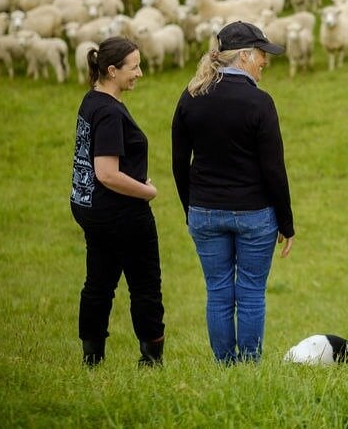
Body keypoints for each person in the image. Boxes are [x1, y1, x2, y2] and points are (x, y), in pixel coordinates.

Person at [171, 21, 295, 364]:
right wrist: (287, 223)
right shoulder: (259, 102)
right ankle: (250, 365)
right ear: (243, 56)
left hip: (205, 212)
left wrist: (191, 209)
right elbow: (274, 169)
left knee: (219, 292)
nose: (264, 63)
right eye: (260, 55)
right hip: (255, 214)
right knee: (252, 294)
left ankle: (225, 366)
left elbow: (179, 162)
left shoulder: (191, 97)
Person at [70, 36, 165, 368]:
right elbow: (107, 173)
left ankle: (91, 359)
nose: (139, 73)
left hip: (92, 209)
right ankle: (151, 361)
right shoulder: (110, 113)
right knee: (145, 286)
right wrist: (147, 191)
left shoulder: (91, 100)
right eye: (134, 67)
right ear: (112, 70)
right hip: (121, 213)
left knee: (98, 282)